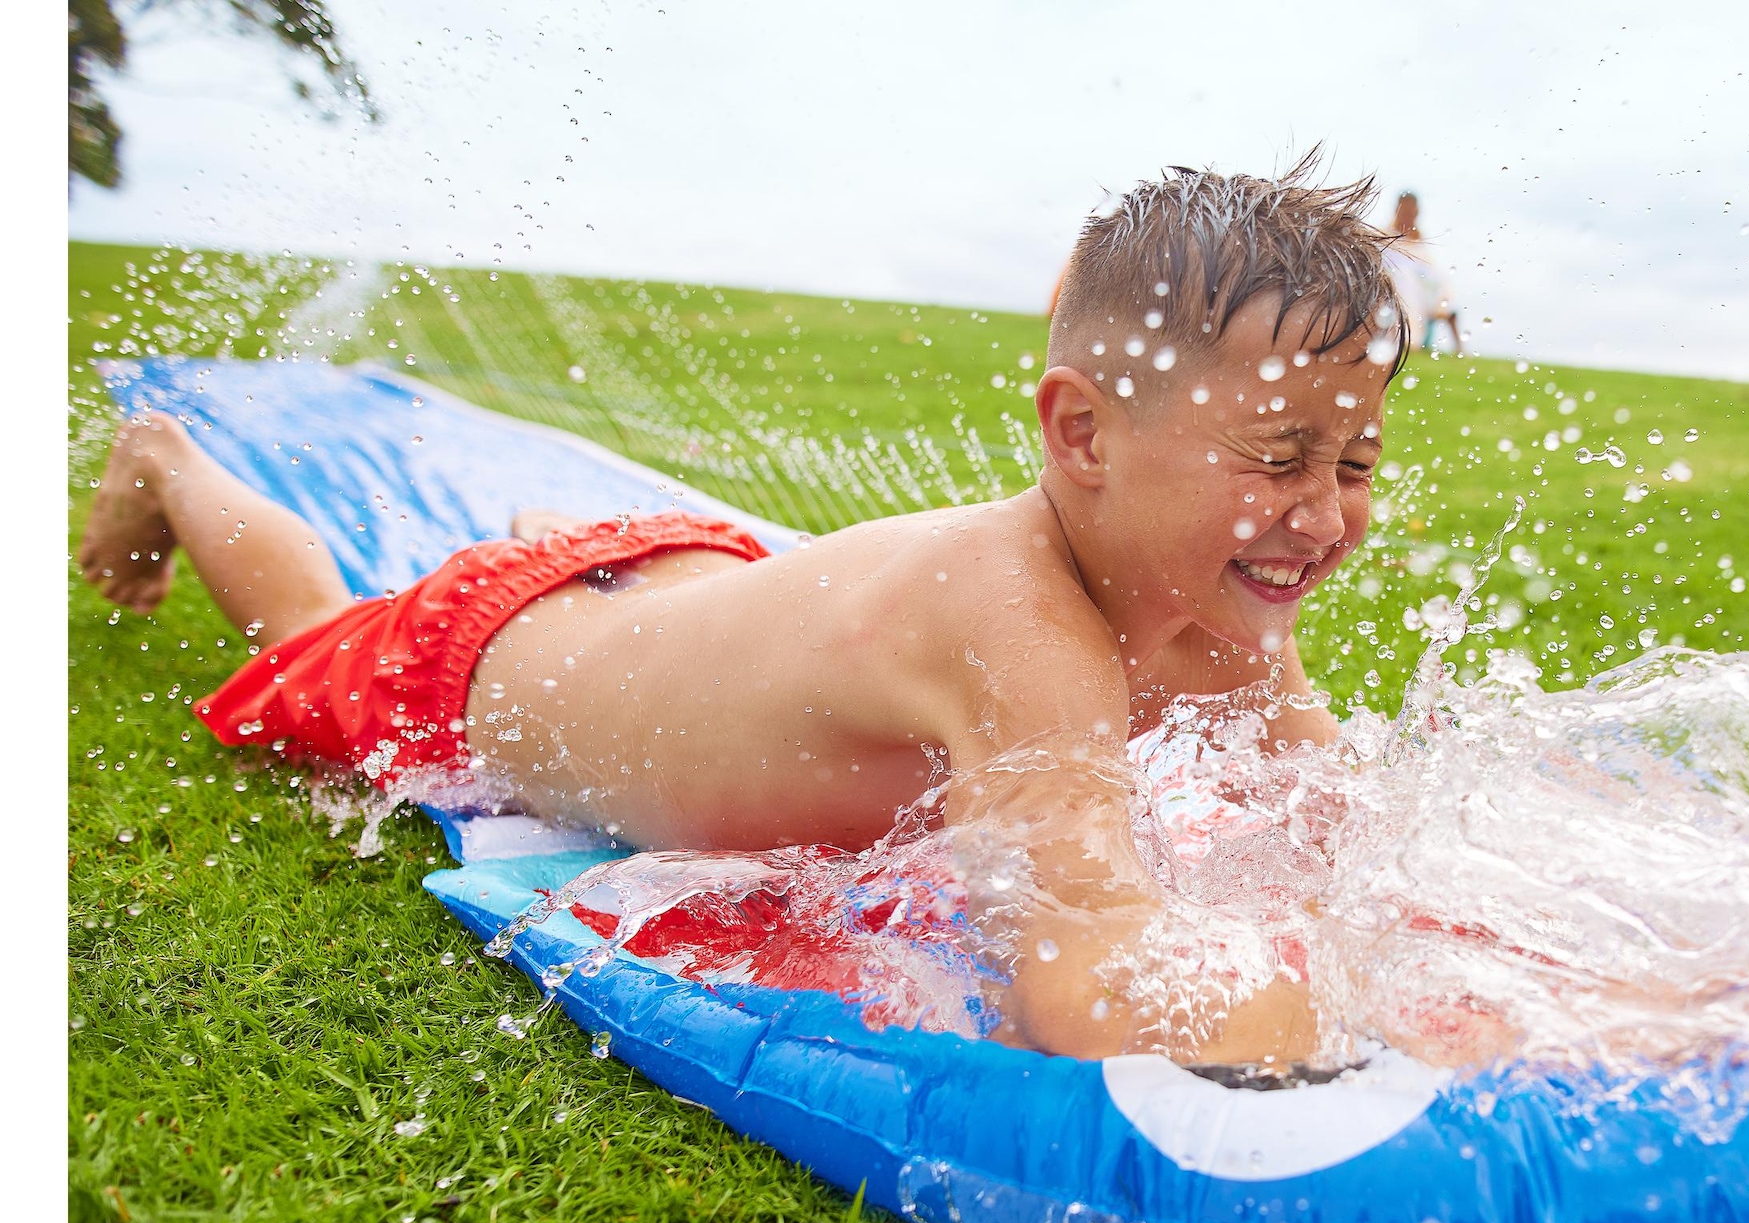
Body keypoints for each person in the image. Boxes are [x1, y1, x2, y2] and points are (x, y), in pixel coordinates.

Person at [76, 163, 1411, 1070]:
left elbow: (1337, 813)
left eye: (1353, 467)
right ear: (1082, 436)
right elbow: (1081, 962)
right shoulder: (1022, 626)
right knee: (316, 626)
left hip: (693, 582)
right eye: (1279, 459)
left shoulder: (1234, 602)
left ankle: (590, 555)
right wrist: (1346, 1014)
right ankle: (169, 463)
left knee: (689, 616)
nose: (1319, 515)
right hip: (496, 659)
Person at [1382, 191, 1463, 355]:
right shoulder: (1384, 237)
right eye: (1404, 211)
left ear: (1417, 213)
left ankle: (1459, 349)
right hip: (1392, 288)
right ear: (1397, 210)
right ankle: (1405, 339)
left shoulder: (1421, 243)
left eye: (1411, 212)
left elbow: (1432, 273)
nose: (1408, 216)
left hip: (1421, 289)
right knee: (1405, 284)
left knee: (1442, 294)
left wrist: (1442, 297)